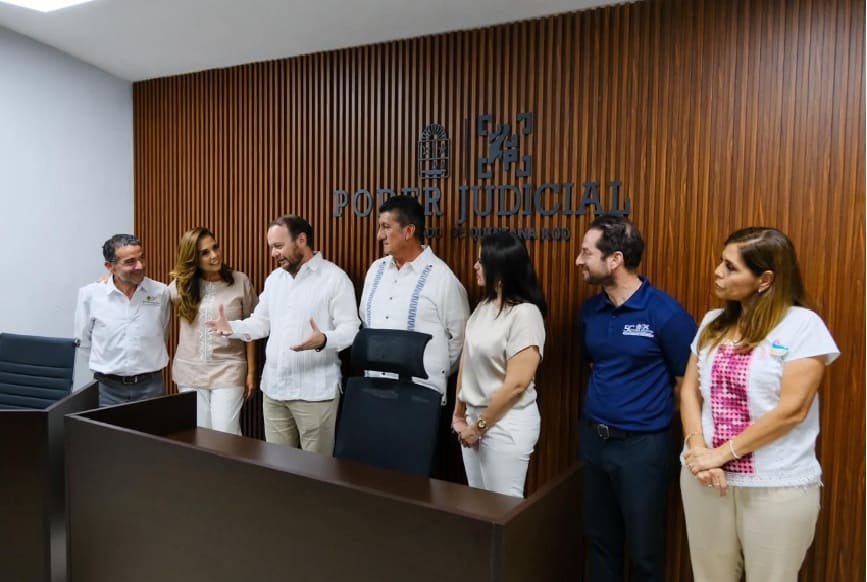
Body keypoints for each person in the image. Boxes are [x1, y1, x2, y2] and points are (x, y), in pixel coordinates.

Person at [680, 227, 839, 582]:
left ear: (765, 278)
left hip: (774, 486)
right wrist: (698, 451)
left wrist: (721, 453)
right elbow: (690, 391)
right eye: (721, 262)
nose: (718, 272)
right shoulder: (711, 323)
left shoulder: (802, 326)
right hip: (705, 479)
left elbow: (792, 410)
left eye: (731, 267)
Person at [575, 214, 697, 582]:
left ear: (614, 260)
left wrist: (647, 416)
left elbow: (687, 383)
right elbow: (597, 364)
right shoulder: (590, 312)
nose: (579, 261)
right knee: (600, 541)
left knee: (644, 549)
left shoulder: (665, 313)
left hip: (643, 448)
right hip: (594, 441)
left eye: (586, 253)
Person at [206, 215, 359, 455]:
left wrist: (324, 340)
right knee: (278, 468)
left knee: (317, 471)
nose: (273, 253)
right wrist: (232, 328)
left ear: (301, 240)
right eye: (271, 247)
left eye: (278, 246)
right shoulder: (275, 279)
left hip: (315, 393)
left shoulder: (335, 279)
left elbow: (350, 330)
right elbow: (261, 323)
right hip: (274, 390)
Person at [451, 232, 546, 498]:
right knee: (479, 505)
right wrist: (459, 414)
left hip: (505, 423)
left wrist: (478, 427)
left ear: (501, 268)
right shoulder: (484, 307)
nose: (475, 266)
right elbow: (466, 359)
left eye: (482, 261)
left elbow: (516, 385)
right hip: (473, 419)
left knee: (503, 508)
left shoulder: (525, 314)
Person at [359, 195, 469, 398]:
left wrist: (433, 371)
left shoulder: (442, 278)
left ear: (409, 231)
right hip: (374, 390)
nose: (379, 235)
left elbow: (460, 340)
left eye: (386, 227)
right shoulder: (376, 270)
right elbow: (367, 322)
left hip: (420, 396)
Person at [167, 227, 258, 435]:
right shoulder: (181, 285)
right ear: (193, 258)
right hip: (190, 372)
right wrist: (111, 279)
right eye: (205, 252)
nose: (214, 255)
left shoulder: (239, 281)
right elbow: (151, 295)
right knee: (200, 435)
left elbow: (252, 327)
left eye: (215, 247)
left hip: (229, 370)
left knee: (226, 434)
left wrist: (251, 372)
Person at [74, 234, 171, 407]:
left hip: (151, 386)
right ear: (109, 266)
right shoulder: (90, 295)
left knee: (152, 434)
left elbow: (162, 333)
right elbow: (83, 341)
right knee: (108, 434)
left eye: (142, 258)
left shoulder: (160, 292)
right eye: (130, 262)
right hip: (107, 389)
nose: (140, 265)